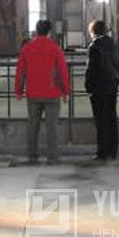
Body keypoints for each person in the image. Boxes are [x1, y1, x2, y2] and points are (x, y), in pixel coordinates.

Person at [14, 19, 70, 164]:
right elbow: (62, 71)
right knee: (52, 127)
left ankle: (32, 156)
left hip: (33, 93)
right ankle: (52, 157)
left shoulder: (27, 48)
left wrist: (18, 90)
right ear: (49, 32)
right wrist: (66, 91)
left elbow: (20, 71)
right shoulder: (55, 48)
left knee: (33, 125)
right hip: (52, 93)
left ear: (36, 31)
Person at [85, 19, 119, 160]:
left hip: (98, 89)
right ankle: (113, 150)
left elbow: (91, 69)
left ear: (93, 32)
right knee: (112, 118)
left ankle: (102, 151)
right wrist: (116, 82)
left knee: (100, 121)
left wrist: (88, 86)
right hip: (112, 87)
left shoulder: (94, 46)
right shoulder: (114, 44)